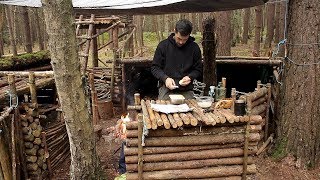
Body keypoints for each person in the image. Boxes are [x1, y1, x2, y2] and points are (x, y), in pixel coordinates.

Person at [151, 19, 202, 100]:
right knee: (164, 108)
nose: (181, 42)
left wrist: (190, 77)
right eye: (179, 38)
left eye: (184, 39)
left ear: (189, 35)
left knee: (191, 108)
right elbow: (155, 68)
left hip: (186, 89)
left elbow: (198, 69)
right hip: (166, 88)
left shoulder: (194, 48)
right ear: (174, 31)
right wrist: (165, 78)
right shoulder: (163, 46)